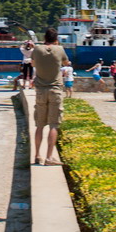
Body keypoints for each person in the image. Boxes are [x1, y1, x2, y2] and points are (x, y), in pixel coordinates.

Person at [31, 28, 70, 166]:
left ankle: (37, 155)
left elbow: (33, 64)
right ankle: (49, 157)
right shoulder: (59, 49)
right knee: (53, 125)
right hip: (55, 89)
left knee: (40, 125)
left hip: (40, 90)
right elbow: (67, 63)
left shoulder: (36, 49)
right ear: (56, 38)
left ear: (44, 37)